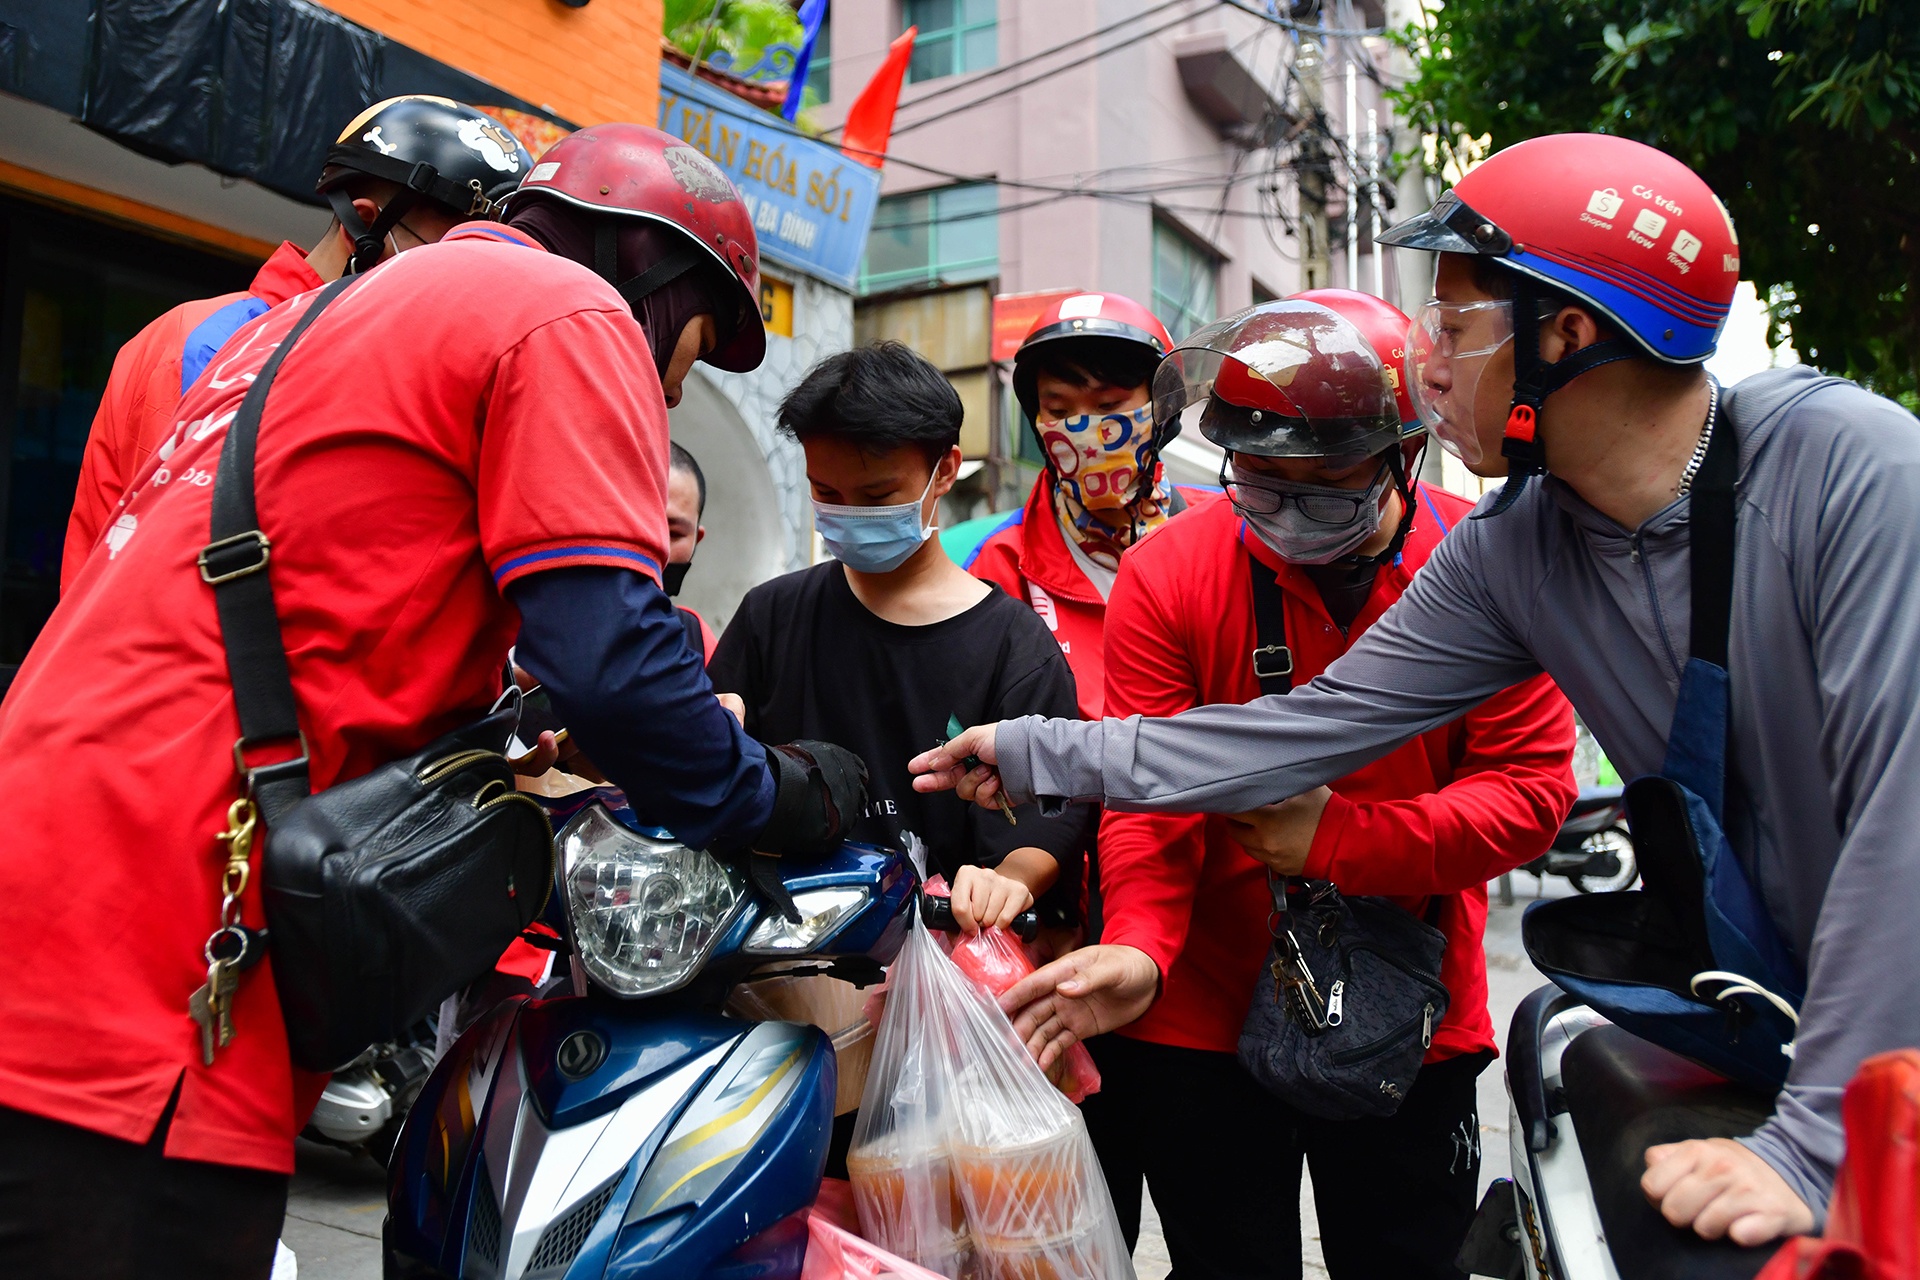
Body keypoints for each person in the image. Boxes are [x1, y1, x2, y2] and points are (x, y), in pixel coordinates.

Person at [914, 132, 1919, 1246]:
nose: (1428, 364)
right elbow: (1301, 732)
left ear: (1566, 335)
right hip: (1763, 1008)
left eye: (1455, 327)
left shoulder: (1849, 466)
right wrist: (1037, 750)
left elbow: (1904, 810)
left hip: (1871, 1054)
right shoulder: (1514, 550)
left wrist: (1819, 1135)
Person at [0, 123, 863, 1279]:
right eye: (693, 353)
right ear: (655, 274)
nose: (667, 391)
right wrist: (780, 795)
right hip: (153, 961)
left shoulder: (309, 324)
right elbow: (615, 653)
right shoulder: (569, 311)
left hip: (53, 882)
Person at [1055, 295, 1577, 1278]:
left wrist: (1340, 837)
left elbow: (1528, 790)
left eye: (1324, 482)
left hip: (1405, 1012)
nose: (1287, 509)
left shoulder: (1489, 565)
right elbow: (1145, 791)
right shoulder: (1169, 573)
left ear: (1401, 457)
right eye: (1261, 480)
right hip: (1199, 1013)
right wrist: (1137, 947)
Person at [61, 95, 533, 589]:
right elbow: (180, 566)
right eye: (455, 257)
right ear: (368, 225)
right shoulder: (218, 343)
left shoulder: (384, 365)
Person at [709, 341, 1092, 937]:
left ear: (944, 471)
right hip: (774, 957)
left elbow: (1050, 818)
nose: (847, 515)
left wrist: (1006, 881)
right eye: (827, 495)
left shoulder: (1012, 646)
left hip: (944, 967)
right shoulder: (771, 616)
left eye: (877, 498)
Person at [967, 291, 1208, 720]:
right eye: (1058, 410)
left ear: (1163, 409)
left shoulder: (1226, 531)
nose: (1083, 431)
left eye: (1109, 407)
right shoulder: (1000, 566)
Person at [666, 440, 719, 661]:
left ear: (697, 539)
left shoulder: (698, 639)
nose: (657, 546)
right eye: (642, 527)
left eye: (674, 534)